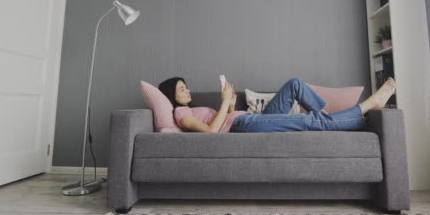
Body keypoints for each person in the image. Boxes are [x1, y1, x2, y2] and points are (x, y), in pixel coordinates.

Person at [158, 77, 396, 133]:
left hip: (244, 119)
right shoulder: (180, 113)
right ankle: (369, 104)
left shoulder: (191, 109)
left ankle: (329, 120)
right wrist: (223, 106)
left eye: (186, 86)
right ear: (171, 96)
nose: (187, 90)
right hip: (245, 126)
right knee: (308, 121)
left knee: (295, 85)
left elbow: (221, 121)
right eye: (181, 89)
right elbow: (212, 133)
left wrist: (230, 103)